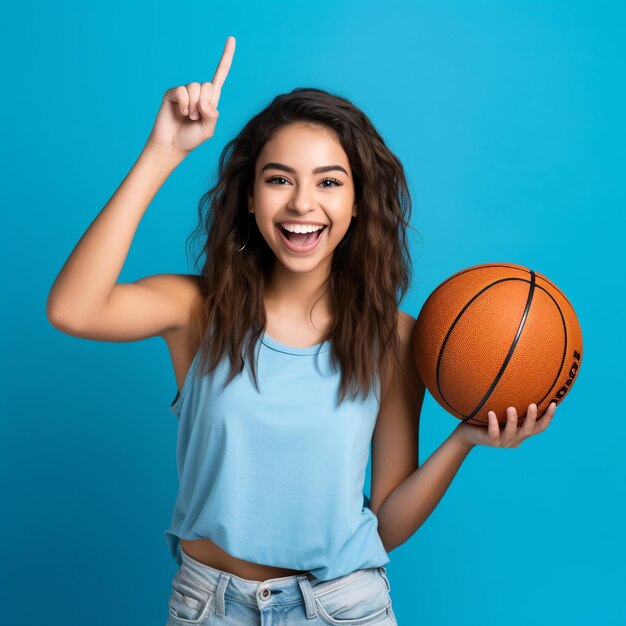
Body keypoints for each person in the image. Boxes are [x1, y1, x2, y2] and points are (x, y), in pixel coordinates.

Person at [47, 35, 557, 626]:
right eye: (279, 179)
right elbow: (73, 309)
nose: (302, 205)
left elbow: (385, 523)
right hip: (209, 606)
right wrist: (164, 150)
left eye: (329, 182)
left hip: (342, 607)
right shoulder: (197, 310)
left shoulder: (392, 338)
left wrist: (463, 440)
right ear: (249, 197)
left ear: (360, 201)